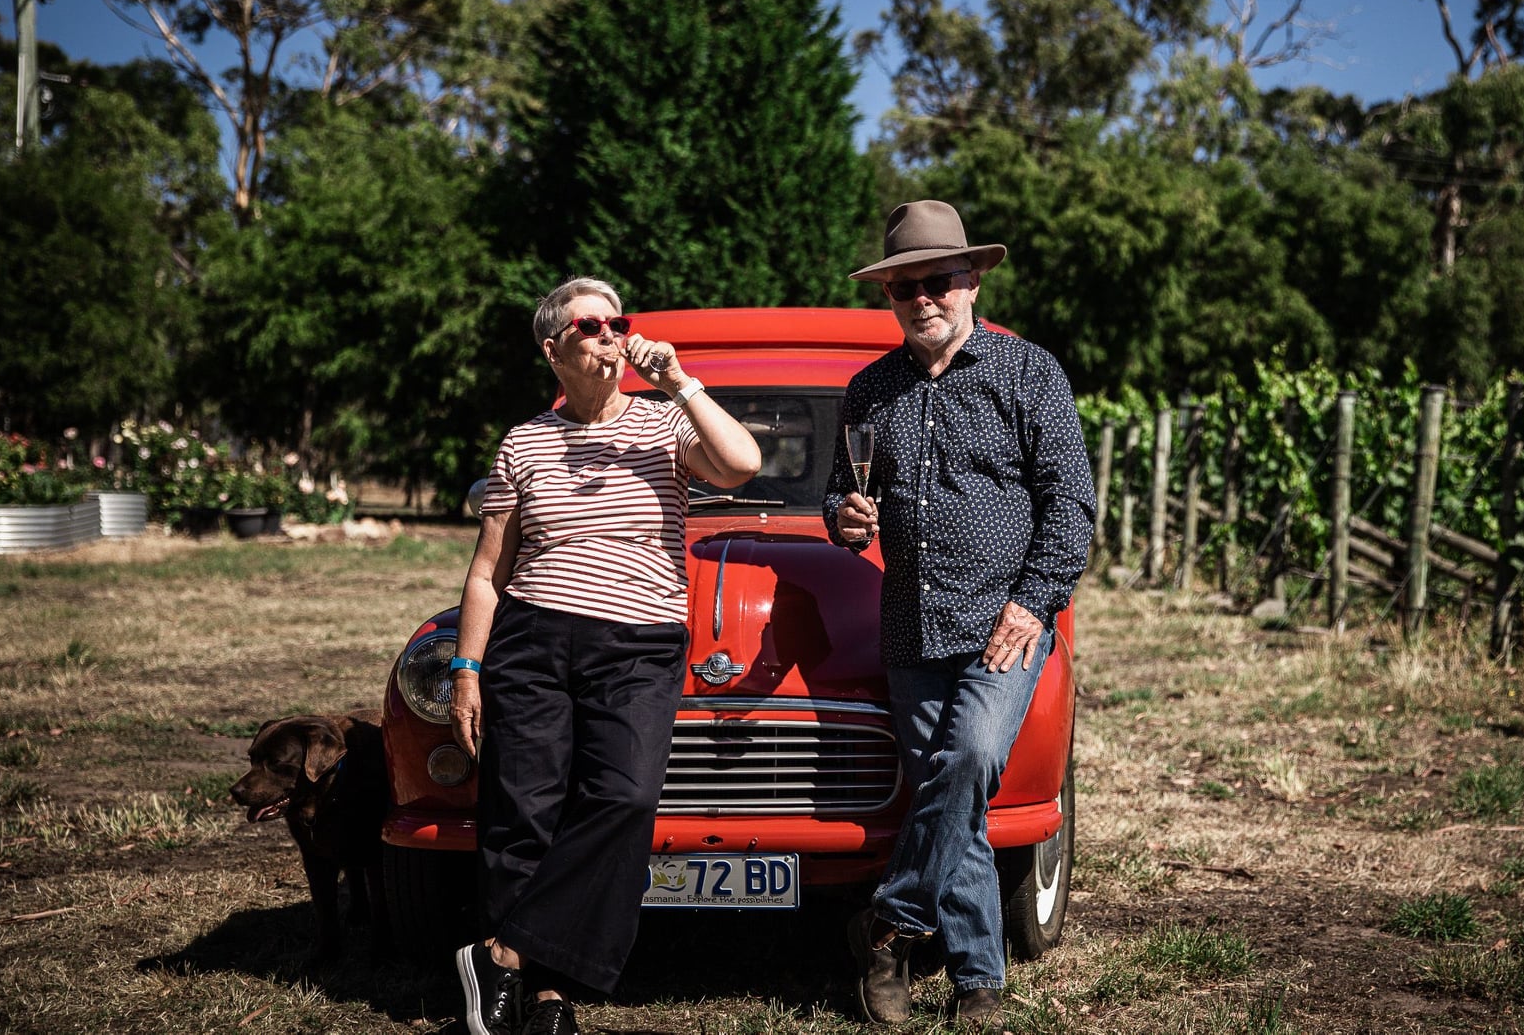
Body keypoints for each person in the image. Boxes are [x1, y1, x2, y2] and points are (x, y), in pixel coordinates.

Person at [449, 277, 762, 1035]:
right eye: (589, 325)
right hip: (533, 633)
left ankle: (501, 951)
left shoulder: (663, 424)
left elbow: (741, 463)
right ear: (552, 349)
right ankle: (544, 998)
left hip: (638, 643)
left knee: (622, 799)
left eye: (616, 321)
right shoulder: (523, 441)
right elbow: (488, 571)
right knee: (523, 812)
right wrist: (466, 668)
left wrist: (681, 381)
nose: (609, 333)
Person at [823, 201, 1095, 1028]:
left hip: (1003, 623)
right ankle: (979, 980)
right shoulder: (869, 390)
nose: (922, 298)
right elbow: (838, 493)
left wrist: (1032, 600)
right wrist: (844, 517)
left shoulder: (1028, 373)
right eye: (904, 286)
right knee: (956, 800)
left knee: (970, 758)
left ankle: (888, 922)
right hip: (909, 624)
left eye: (937, 280)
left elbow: (1071, 503)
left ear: (971, 279)